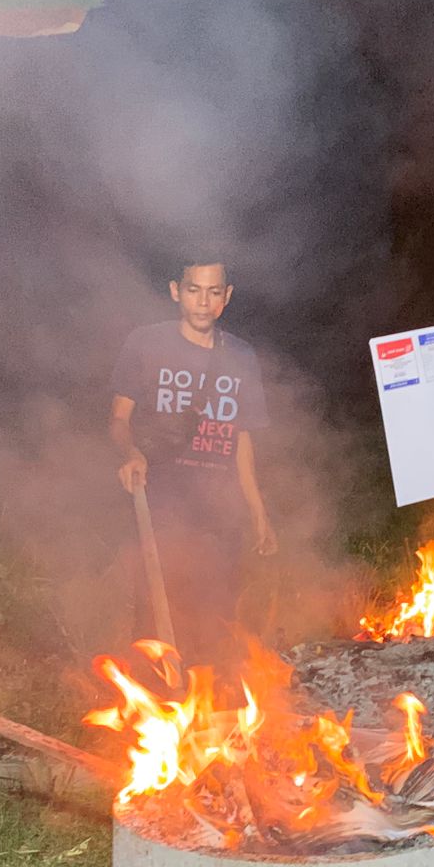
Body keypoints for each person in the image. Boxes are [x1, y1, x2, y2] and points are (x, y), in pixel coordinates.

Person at [109, 258, 276, 668]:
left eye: (214, 291)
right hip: (162, 502)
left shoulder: (240, 355)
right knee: (156, 616)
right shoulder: (146, 344)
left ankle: (207, 719)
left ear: (227, 296)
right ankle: (151, 714)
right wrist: (130, 453)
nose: (203, 302)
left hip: (220, 513)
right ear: (175, 291)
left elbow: (243, 441)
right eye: (193, 290)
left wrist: (258, 512)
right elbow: (118, 419)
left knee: (217, 621)